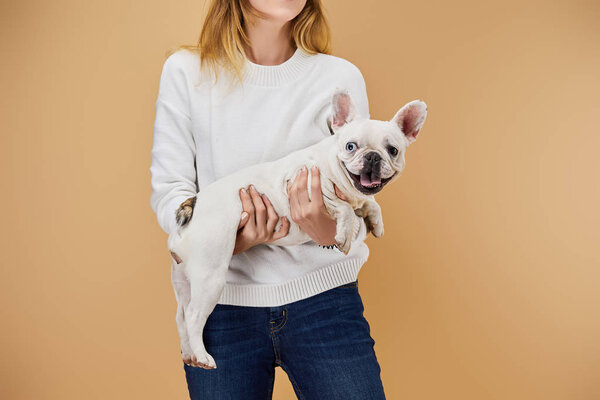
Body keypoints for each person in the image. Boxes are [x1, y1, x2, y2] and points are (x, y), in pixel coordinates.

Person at [149, 0, 386, 398]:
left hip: (325, 300)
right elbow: (172, 194)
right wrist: (227, 241)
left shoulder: (339, 78)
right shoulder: (186, 72)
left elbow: (357, 194)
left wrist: (326, 228)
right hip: (221, 308)